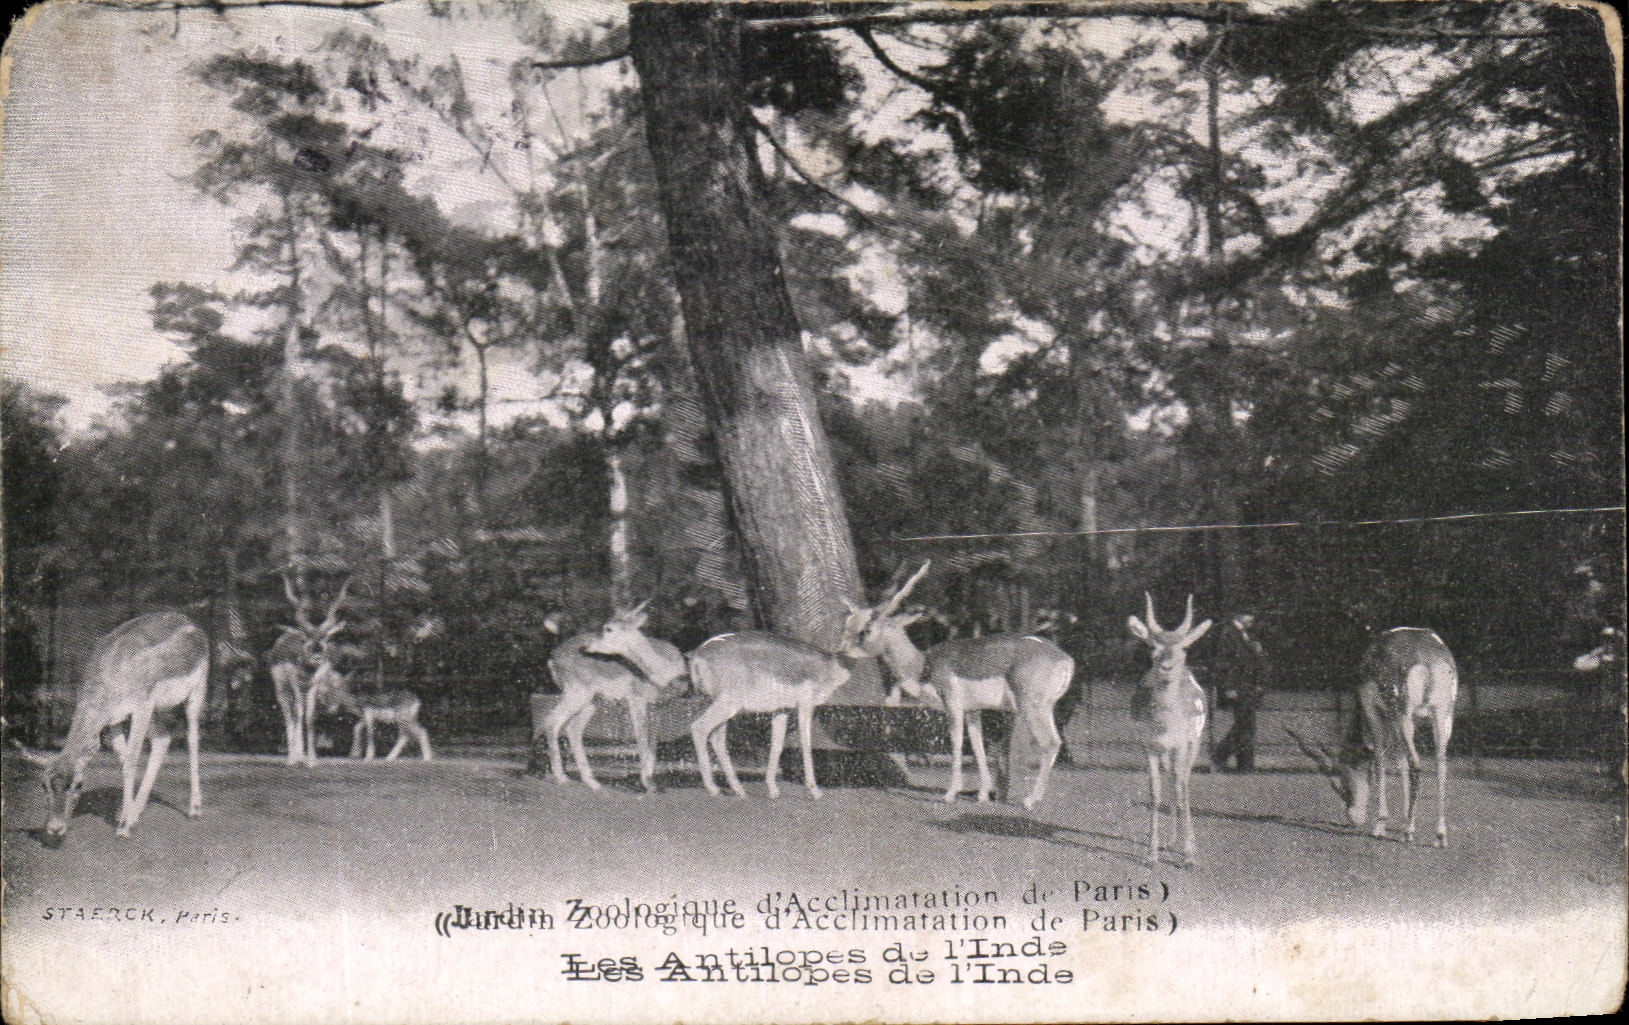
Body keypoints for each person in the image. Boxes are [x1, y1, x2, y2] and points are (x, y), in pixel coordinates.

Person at [1211, 613, 1269, 772]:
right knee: (1245, 724)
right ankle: (1223, 755)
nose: (1253, 620)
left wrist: (1256, 651)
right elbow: (1226, 663)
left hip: (1247, 686)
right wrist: (1229, 688)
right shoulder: (1229, 634)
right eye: (1249, 616)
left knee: (1246, 725)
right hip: (1238, 686)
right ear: (1239, 615)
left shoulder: (1245, 634)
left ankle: (1243, 764)